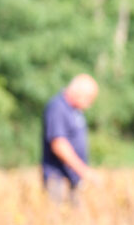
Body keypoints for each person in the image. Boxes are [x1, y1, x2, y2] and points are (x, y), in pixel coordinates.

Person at [41, 74, 99, 203]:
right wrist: (83, 171)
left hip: (71, 177)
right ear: (78, 92)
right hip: (58, 179)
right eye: (89, 99)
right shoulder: (57, 108)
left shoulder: (74, 110)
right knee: (58, 220)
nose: (89, 105)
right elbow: (59, 144)